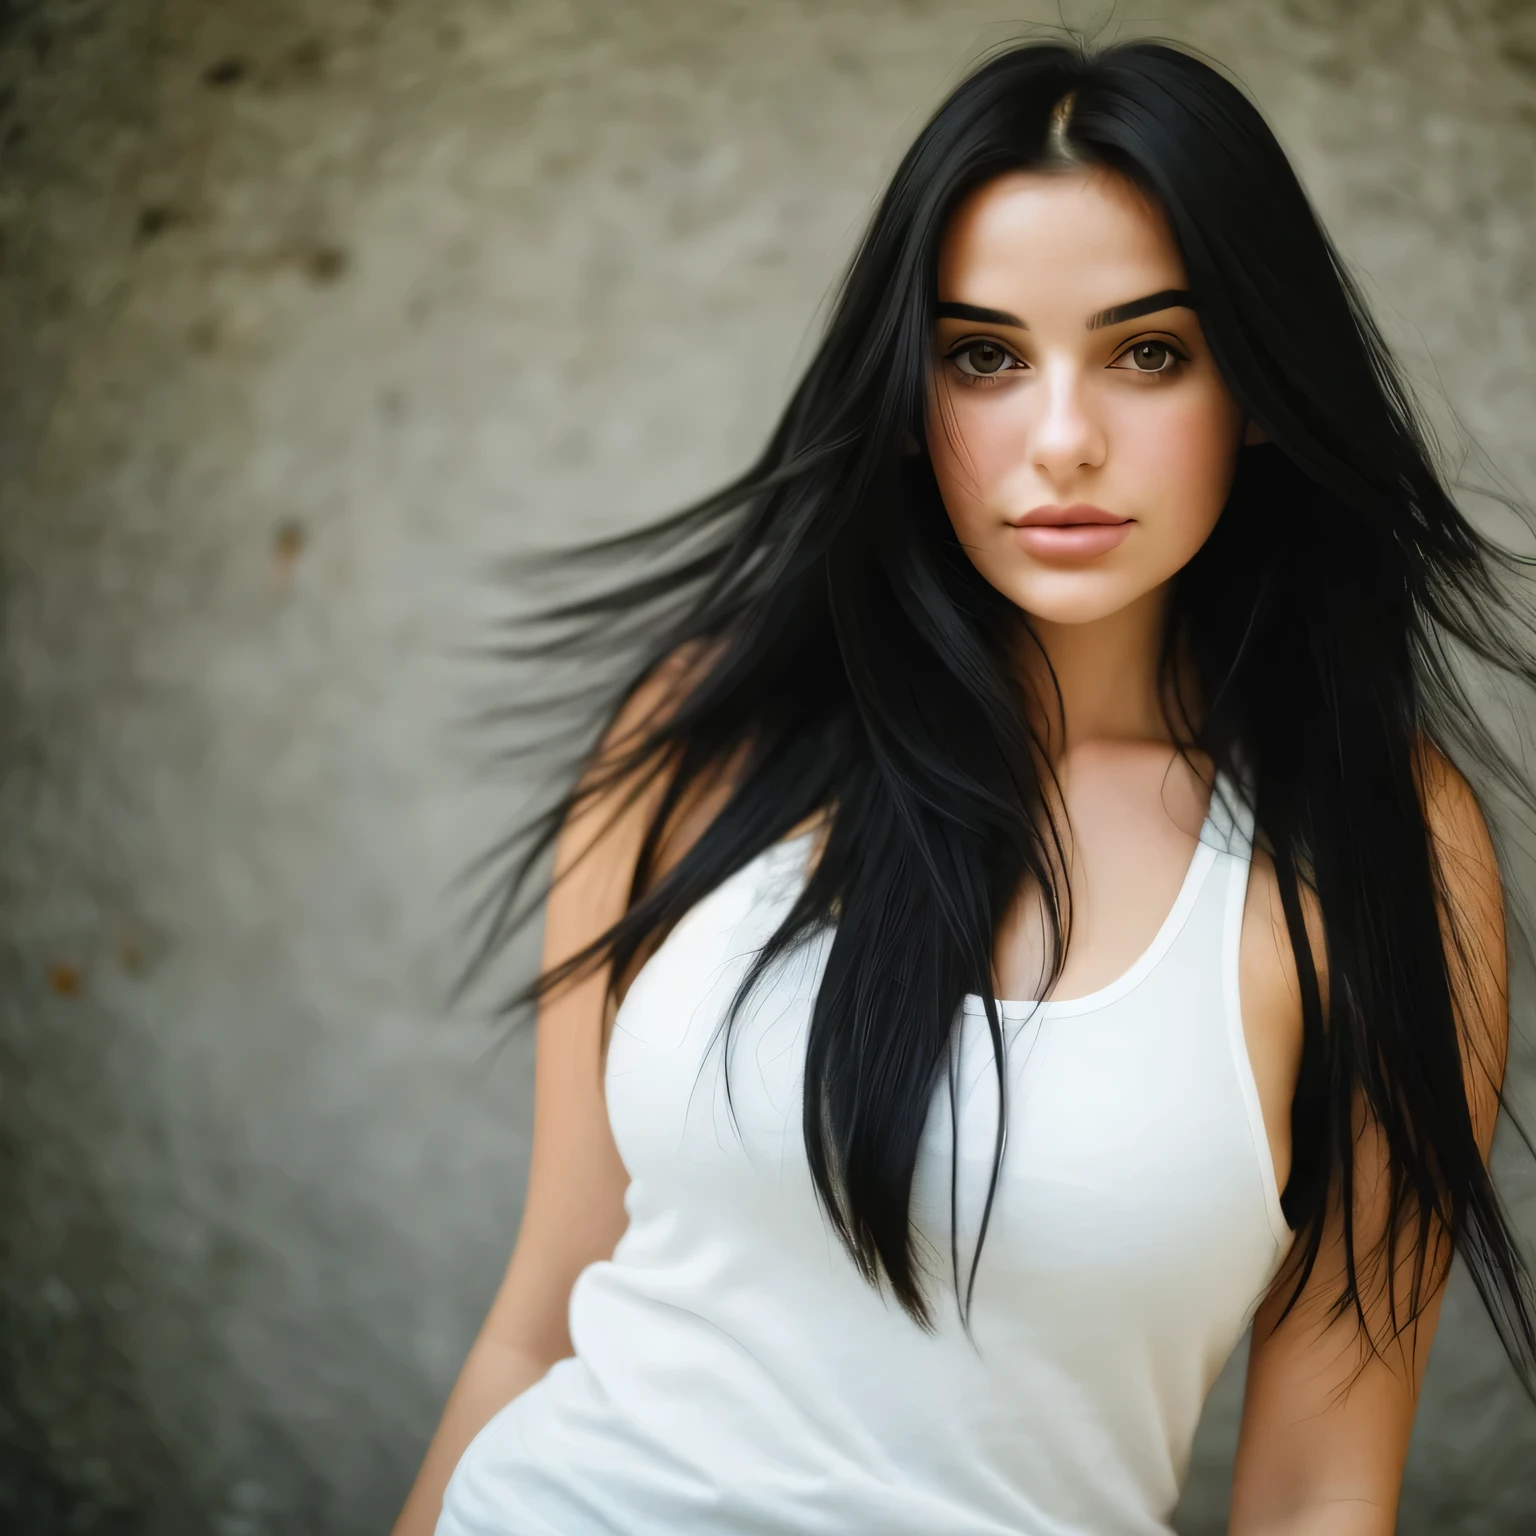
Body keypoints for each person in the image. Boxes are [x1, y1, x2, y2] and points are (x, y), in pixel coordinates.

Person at [393, 38, 1536, 1536]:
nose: (1061, 440)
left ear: (1256, 384)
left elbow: (1321, 1488)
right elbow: (535, 1323)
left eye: (1149, 351)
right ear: (909, 385)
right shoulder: (705, 730)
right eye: (984, 355)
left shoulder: (1366, 843)